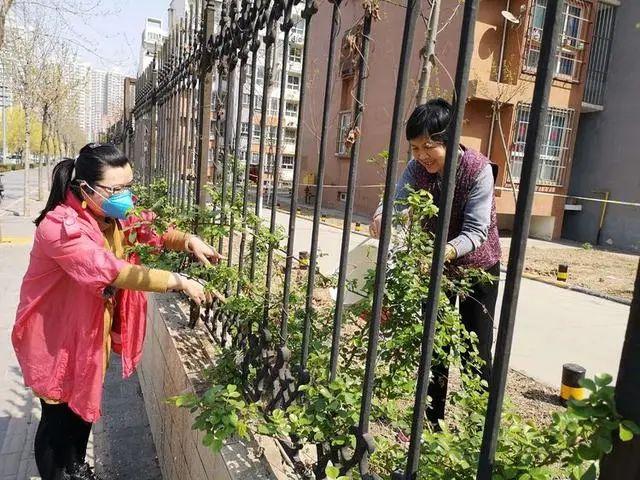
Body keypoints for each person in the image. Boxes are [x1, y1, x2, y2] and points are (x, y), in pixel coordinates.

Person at [12, 143, 221, 480]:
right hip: (53, 339)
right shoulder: (61, 228)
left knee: (82, 409)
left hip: (90, 333)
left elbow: (148, 229)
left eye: (129, 186)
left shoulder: (109, 214)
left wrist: (188, 241)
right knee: (57, 422)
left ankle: (77, 468)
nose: (126, 196)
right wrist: (178, 281)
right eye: (117, 189)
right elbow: (111, 270)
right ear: (86, 189)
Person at [369, 98, 501, 424]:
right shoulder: (417, 168)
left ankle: (478, 426)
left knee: (476, 352)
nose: (421, 155)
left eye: (428, 146)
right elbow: (397, 200)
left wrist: (442, 252)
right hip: (435, 268)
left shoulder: (478, 170)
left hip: (477, 270)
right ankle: (430, 422)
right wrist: (382, 215)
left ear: (450, 138)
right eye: (414, 148)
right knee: (434, 347)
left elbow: (476, 232)